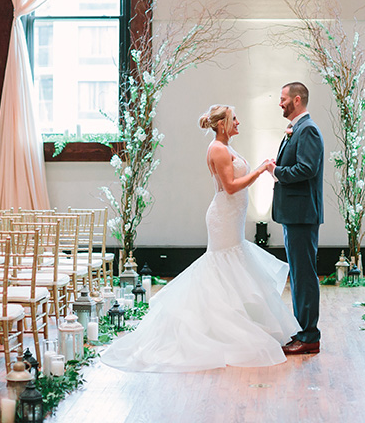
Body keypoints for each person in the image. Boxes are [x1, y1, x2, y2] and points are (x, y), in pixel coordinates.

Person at [100, 105, 299, 372]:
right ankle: (218, 329)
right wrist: (261, 170)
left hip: (233, 216)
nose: (238, 122)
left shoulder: (227, 147)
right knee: (222, 266)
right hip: (223, 216)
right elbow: (230, 187)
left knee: (233, 266)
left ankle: (237, 324)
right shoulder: (217, 148)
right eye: (234, 119)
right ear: (221, 125)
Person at [268, 82, 324, 355]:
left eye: (283, 99)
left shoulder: (308, 130)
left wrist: (277, 171)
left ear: (297, 100)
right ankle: (302, 331)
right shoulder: (297, 129)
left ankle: (309, 336)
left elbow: (307, 168)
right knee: (299, 275)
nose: (280, 103)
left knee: (304, 276)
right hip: (294, 214)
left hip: (302, 214)